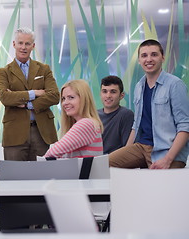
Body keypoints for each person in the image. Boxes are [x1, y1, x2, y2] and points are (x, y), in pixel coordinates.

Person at [109, 39, 189, 169]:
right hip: (141, 147)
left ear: (162, 58)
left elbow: (185, 126)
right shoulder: (139, 87)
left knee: (158, 185)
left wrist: (168, 160)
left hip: (167, 150)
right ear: (139, 60)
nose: (149, 59)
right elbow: (136, 125)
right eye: (144, 55)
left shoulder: (175, 85)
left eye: (154, 54)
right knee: (106, 165)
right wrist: (126, 152)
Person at [0, 27, 60, 161]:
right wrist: (34, 93)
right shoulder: (4, 72)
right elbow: (4, 97)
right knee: (14, 176)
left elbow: (54, 96)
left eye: (27, 44)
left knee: (44, 177)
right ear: (14, 44)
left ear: (33, 46)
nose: (23, 47)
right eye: (20, 43)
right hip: (15, 133)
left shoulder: (44, 69)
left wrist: (27, 104)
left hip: (41, 131)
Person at [44, 80, 103, 158]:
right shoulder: (90, 123)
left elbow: (51, 153)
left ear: (84, 99)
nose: (65, 103)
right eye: (63, 99)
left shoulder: (85, 124)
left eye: (71, 97)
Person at [98, 75, 134, 154]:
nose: (108, 96)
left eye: (113, 92)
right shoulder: (94, 116)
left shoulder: (126, 115)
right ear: (100, 94)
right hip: (95, 161)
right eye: (104, 91)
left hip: (116, 162)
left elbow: (127, 149)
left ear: (121, 96)